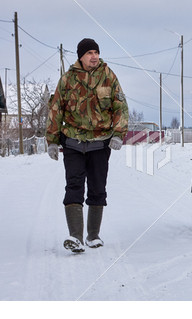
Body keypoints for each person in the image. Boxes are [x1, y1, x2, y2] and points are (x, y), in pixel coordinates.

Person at [46, 38, 129, 253]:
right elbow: (56, 109)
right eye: (90, 52)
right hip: (73, 142)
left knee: (98, 188)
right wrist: (52, 141)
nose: (94, 56)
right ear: (80, 56)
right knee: (73, 186)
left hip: (100, 144)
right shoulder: (67, 79)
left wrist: (118, 134)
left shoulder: (108, 76)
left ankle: (93, 235)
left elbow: (120, 106)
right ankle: (75, 236)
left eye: (96, 52)